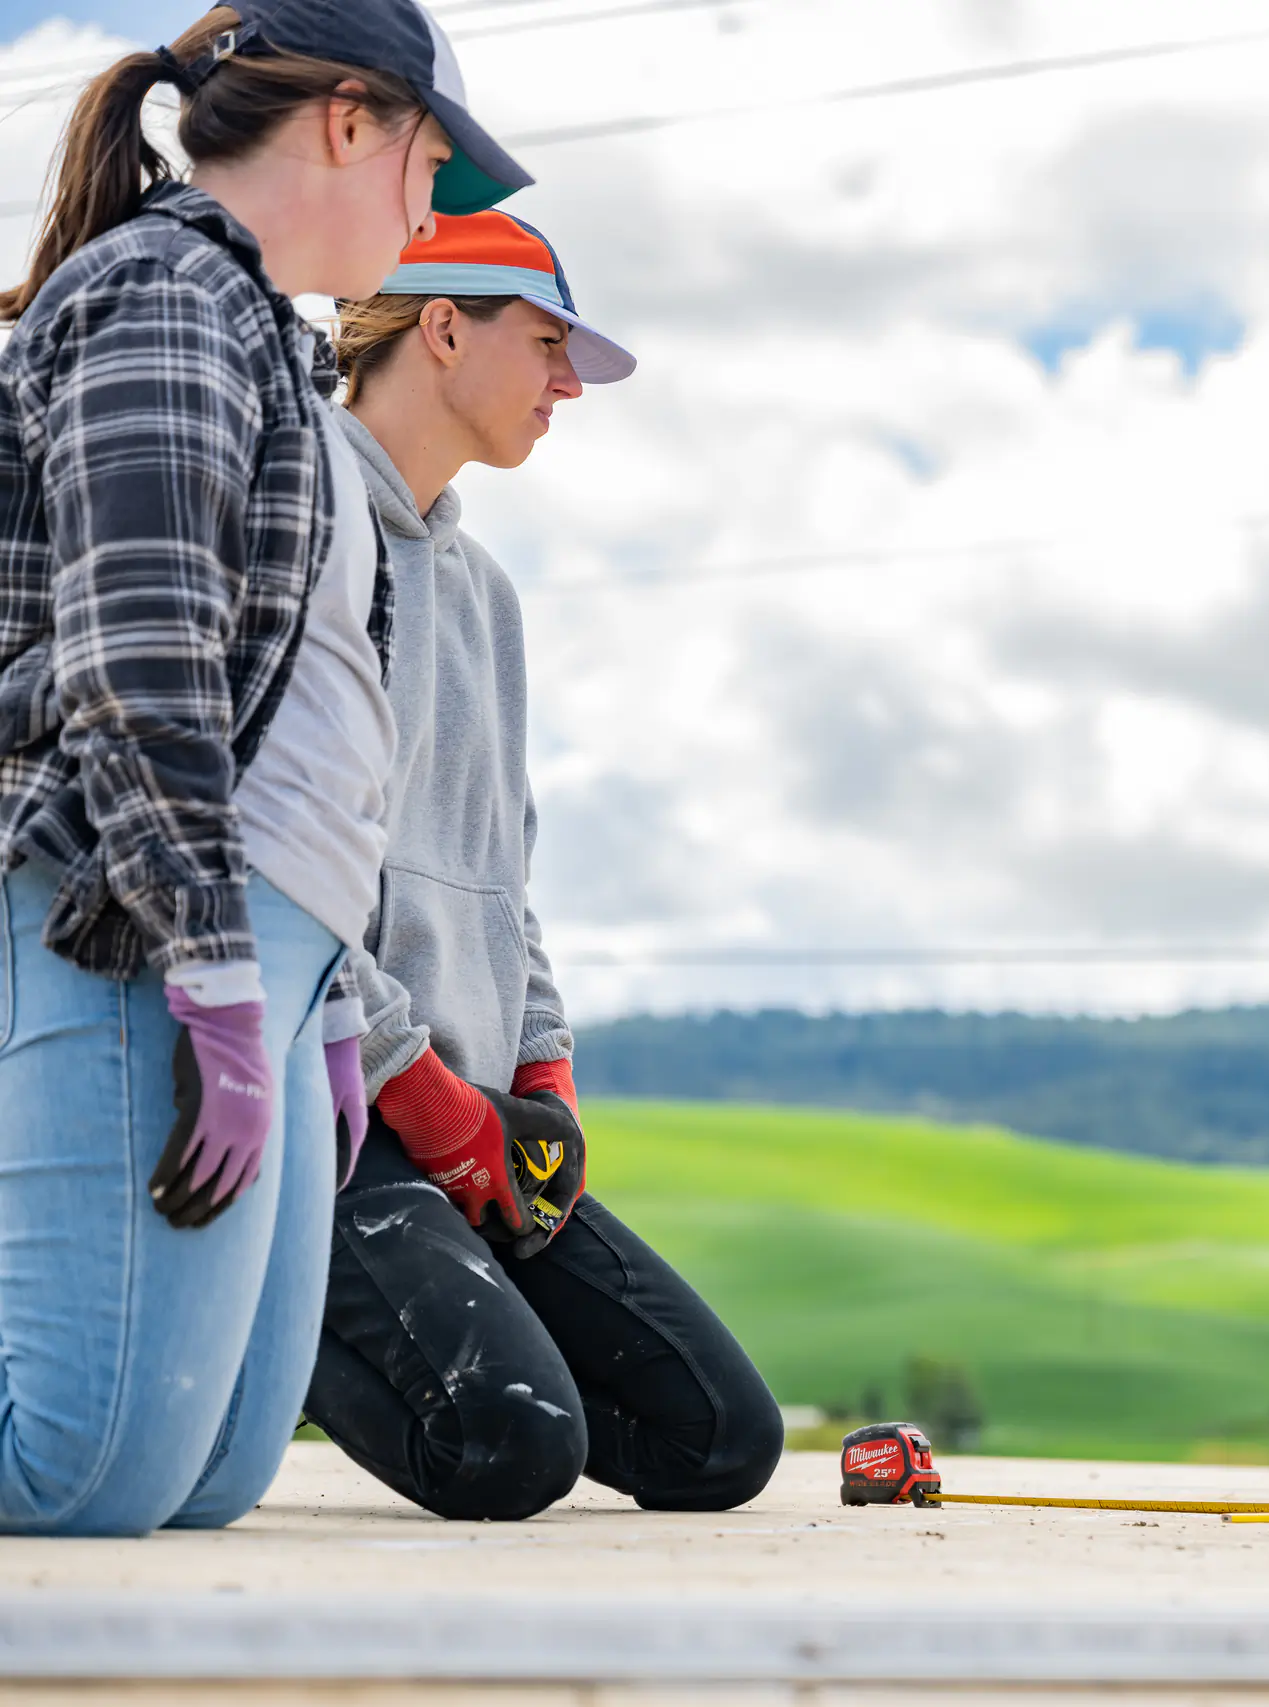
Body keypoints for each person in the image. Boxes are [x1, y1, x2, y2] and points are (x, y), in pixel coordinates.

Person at [0, 0, 528, 1535]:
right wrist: (213, 973)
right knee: (78, 1467)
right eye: (434, 164)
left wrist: (312, 1009)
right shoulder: (161, 296)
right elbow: (142, 661)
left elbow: (310, 706)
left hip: (273, 951)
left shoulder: (262, 340)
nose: (436, 213)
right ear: (351, 120)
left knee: (218, 1469)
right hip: (138, 916)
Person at [300, 210, 785, 1521]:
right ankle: (262, 1312)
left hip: (469, 1120)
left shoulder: (487, 591)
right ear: (443, 327)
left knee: (721, 1441)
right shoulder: (302, 524)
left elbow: (503, 881)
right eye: (549, 344)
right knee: (508, 1444)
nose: (569, 383)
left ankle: (385, 1295)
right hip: (336, 1119)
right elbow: (275, 863)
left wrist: (539, 1071)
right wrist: (421, 1093)